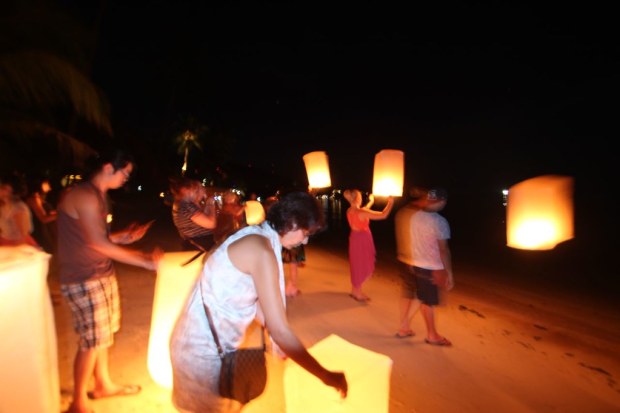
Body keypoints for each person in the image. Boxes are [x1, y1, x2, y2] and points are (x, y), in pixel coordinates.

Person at [170, 191, 348, 413]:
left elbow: (253, 301)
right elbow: (280, 330)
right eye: (305, 233)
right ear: (292, 222)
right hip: (200, 352)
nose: (305, 240)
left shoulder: (255, 236)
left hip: (202, 343)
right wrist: (325, 375)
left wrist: (281, 341)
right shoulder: (262, 251)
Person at [56, 148, 162, 413]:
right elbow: (97, 243)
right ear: (107, 167)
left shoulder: (99, 196)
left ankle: (102, 384)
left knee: (102, 336)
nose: (126, 178)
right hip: (82, 277)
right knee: (91, 340)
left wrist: (123, 236)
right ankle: (77, 402)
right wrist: (145, 260)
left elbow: (96, 238)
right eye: (124, 172)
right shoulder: (83, 195)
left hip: (99, 273)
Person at [393, 187, 454, 345]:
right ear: (441, 201)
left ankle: (404, 327)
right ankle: (432, 335)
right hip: (430, 267)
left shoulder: (414, 217)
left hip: (413, 263)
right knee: (427, 301)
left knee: (415, 296)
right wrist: (448, 273)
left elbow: (412, 241)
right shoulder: (440, 222)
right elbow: (443, 250)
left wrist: (410, 261)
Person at [342, 189, 394, 302]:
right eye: (360, 197)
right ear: (358, 199)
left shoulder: (349, 210)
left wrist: (371, 202)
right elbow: (383, 215)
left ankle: (355, 290)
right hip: (362, 240)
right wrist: (391, 203)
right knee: (361, 264)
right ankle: (358, 293)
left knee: (356, 263)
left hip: (354, 238)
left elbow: (364, 210)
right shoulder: (361, 212)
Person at [169, 177, 217, 251]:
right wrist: (210, 203)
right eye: (196, 189)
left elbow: (205, 216)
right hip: (200, 246)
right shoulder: (185, 205)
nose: (203, 190)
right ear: (185, 190)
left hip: (198, 245)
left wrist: (203, 201)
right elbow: (211, 223)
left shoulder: (185, 204)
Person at [0, 172, 40, 248]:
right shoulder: (3, 205)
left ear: (13, 192)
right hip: (5, 244)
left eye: (3, 187)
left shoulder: (18, 208)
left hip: (16, 247)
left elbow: (23, 235)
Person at [25, 176, 58, 253]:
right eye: (46, 184)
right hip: (40, 231)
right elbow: (44, 218)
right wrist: (61, 214)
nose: (49, 187)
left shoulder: (39, 198)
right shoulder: (34, 198)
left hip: (44, 230)